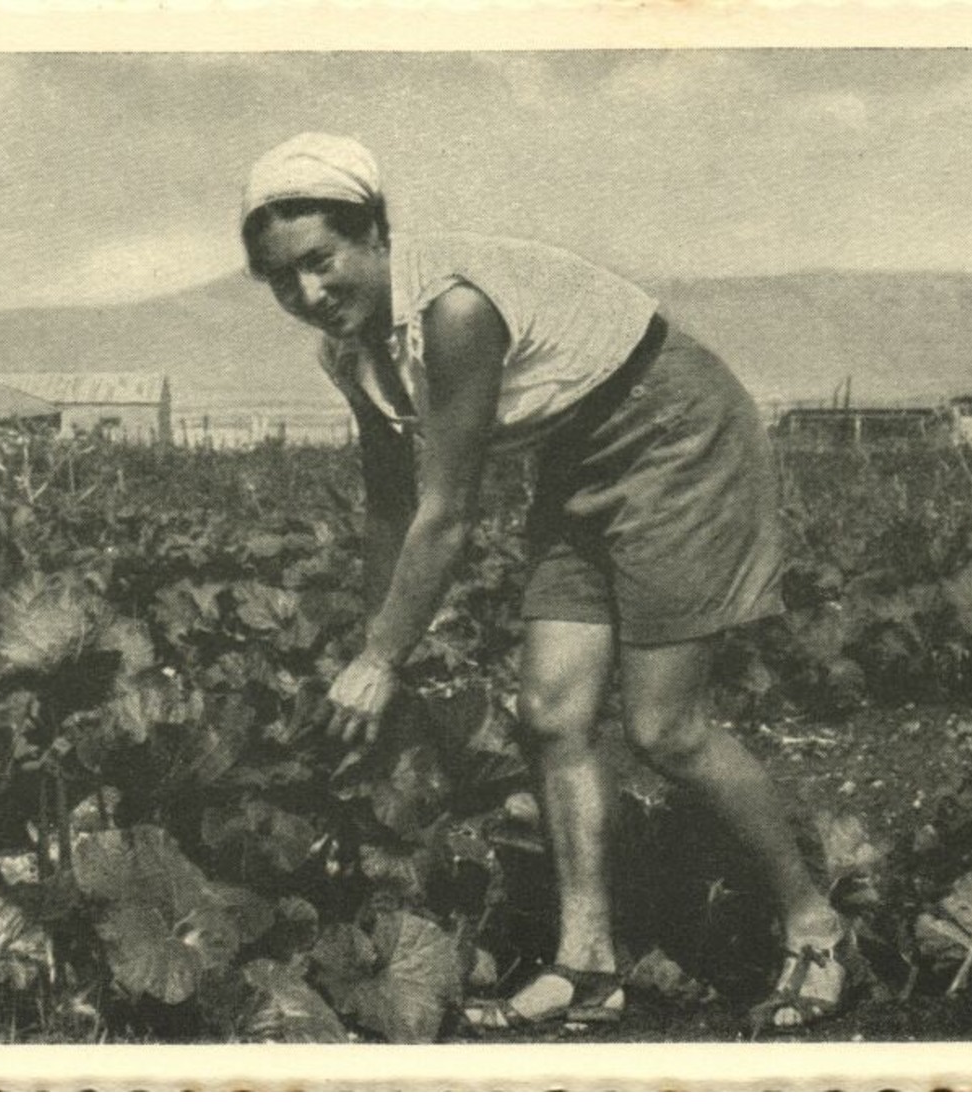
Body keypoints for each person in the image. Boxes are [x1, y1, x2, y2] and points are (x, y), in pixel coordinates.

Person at [239, 132, 846, 1033]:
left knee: (663, 727)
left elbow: (447, 513)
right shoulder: (350, 352)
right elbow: (388, 507)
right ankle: (587, 963)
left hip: (675, 433)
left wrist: (378, 658)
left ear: (374, 233)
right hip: (577, 455)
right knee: (551, 713)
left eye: (321, 262)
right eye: (281, 280)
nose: (308, 294)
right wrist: (381, 655)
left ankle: (813, 922)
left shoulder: (452, 312)